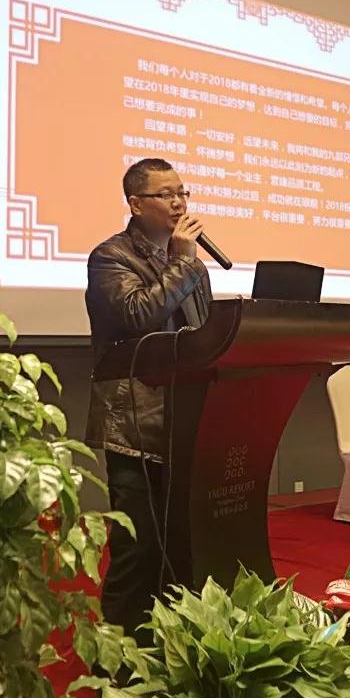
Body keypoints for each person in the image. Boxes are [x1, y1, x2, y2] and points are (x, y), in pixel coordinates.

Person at [85, 158, 212, 638]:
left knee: (182, 547)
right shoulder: (110, 257)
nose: (179, 203)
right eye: (166, 194)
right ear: (136, 205)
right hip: (136, 425)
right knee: (136, 549)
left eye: (182, 193)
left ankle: (170, 647)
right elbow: (138, 315)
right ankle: (116, 661)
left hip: (186, 421)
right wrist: (183, 262)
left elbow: (203, 336)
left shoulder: (190, 266)